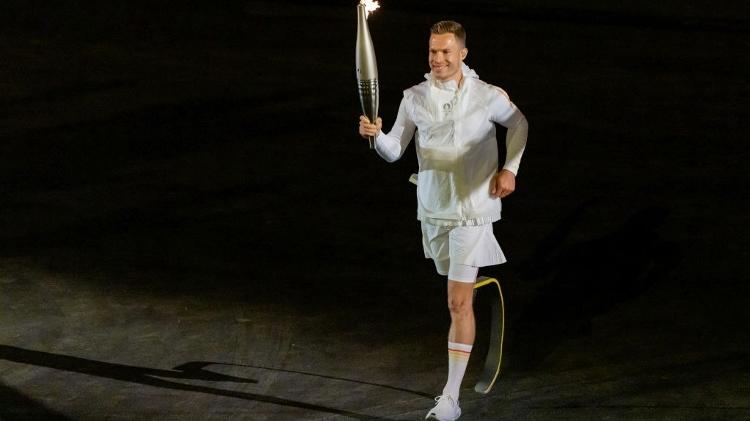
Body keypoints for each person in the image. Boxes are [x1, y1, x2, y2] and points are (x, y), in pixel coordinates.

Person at [358, 20, 528, 421]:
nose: (438, 59)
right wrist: (375, 135)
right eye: (433, 51)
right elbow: (394, 150)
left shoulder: (487, 96)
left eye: (446, 52)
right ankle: (471, 288)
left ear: (462, 53)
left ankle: (450, 398)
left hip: (473, 211)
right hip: (433, 210)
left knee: (456, 302)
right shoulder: (413, 98)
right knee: (453, 289)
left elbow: (519, 123)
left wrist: (511, 169)